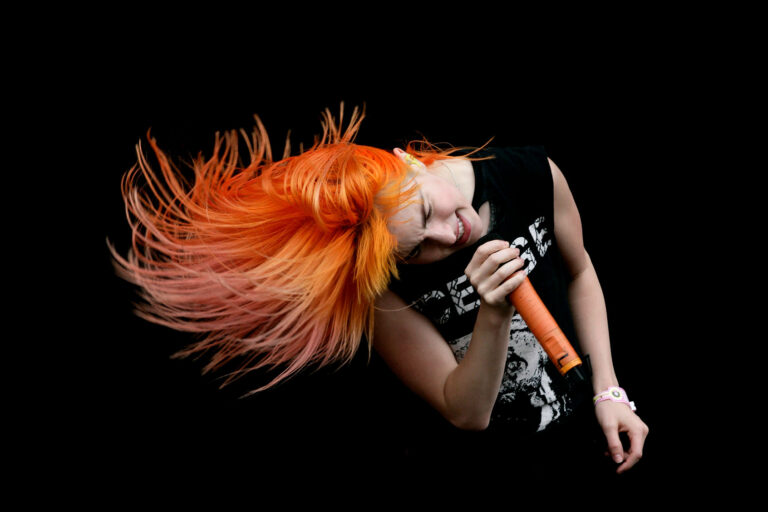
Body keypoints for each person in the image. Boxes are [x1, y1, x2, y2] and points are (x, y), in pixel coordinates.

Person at [109, 104, 648, 481]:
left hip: (593, 426)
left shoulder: (530, 173)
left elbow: (579, 274)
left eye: (423, 212)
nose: (447, 234)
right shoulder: (382, 288)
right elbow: (465, 413)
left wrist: (609, 392)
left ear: (409, 161)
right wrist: (491, 312)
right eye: (418, 249)